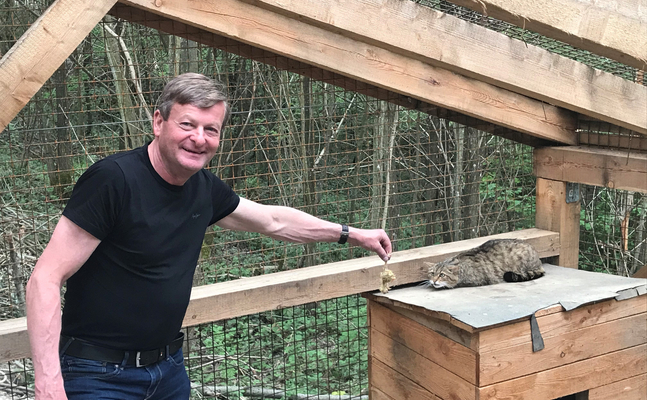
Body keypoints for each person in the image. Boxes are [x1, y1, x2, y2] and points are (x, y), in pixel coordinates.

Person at [25, 73, 392, 400]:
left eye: (210, 129)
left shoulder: (203, 188)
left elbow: (273, 221)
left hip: (168, 371)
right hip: (98, 376)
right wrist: (48, 383)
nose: (198, 138)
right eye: (188, 124)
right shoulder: (113, 180)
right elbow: (45, 278)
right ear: (158, 121)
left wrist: (351, 234)